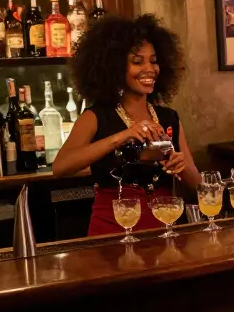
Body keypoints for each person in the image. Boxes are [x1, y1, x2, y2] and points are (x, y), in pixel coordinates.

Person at [52, 14, 201, 236]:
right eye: (137, 61)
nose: (149, 69)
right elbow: (60, 167)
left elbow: (197, 184)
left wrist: (181, 166)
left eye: (153, 60)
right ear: (114, 67)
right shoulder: (96, 116)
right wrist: (122, 136)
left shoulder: (169, 117)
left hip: (164, 228)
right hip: (112, 231)